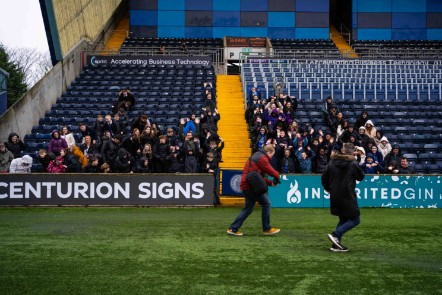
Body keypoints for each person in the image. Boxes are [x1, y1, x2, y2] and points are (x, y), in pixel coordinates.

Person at [227, 144, 281, 236]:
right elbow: (271, 171)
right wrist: (278, 176)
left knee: (248, 209)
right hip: (251, 186)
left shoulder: (256, 156)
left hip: (247, 185)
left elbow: (258, 177)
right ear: (269, 152)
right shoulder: (262, 158)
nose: (272, 157)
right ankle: (267, 228)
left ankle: (233, 228)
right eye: (272, 155)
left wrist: (270, 183)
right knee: (267, 203)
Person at [321, 142, 365, 252]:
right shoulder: (353, 163)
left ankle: (336, 245)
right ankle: (336, 234)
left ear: (342, 150)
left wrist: (328, 188)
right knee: (355, 219)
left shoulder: (332, 162)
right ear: (353, 151)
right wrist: (358, 160)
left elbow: (323, 177)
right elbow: (361, 177)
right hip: (348, 195)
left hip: (335, 195)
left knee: (343, 219)